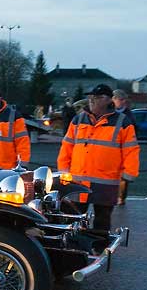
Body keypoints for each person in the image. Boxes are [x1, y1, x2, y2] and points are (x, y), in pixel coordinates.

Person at [57, 84, 140, 232]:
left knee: (102, 221)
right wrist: (63, 169)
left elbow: (131, 150)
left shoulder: (122, 122)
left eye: (97, 97)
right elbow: (67, 146)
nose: (92, 100)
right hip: (78, 181)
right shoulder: (79, 119)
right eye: (91, 97)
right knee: (73, 218)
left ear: (108, 100)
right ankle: (75, 249)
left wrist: (128, 174)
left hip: (106, 181)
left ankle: (99, 249)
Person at [112, 89, 138, 206]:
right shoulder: (109, 113)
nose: (122, 102)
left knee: (124, 176)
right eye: (120, 99)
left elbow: (134, 130)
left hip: (124, 147)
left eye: (124, 100)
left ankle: (121, 197)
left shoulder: (128, 115)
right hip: (112, 149)